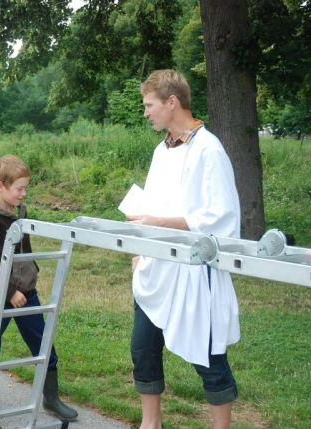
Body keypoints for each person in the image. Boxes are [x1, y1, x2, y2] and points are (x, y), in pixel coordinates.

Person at [129, 69, 241, 429]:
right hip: (155, 268)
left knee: (207, 356)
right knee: (143, 349)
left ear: (172, 102)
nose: (146, 112)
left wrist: (161, 223)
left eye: (150, 105)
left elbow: (221, 216)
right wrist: (140, 249)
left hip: (193, 270)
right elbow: (150, 205)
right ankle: (151, 423)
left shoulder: (209, 149)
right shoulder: (161, 151)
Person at [0, 155, 78, 429]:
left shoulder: (19, 212)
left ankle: (51, 399)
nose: (24, 193)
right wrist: (8, 292)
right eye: (19, 188)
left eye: (26, 187)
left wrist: (28, 278)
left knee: (43, 345)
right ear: (0, 186)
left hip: (27, 294)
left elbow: (23, 253)